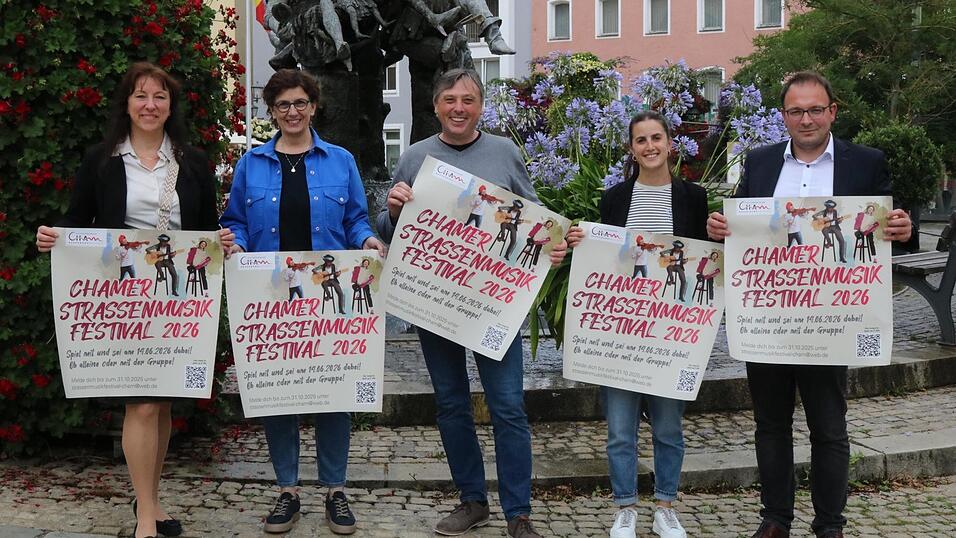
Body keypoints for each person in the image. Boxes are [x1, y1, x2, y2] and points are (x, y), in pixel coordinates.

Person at [706, 71, 912, 538]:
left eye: (815, 109)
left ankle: (829, 525)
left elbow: (894, 225)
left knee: (829, 428)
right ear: (784, 116)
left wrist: (904, 227)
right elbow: (739, 226)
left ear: (832, 111)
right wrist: (720, 228)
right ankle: (775, 519)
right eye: (796, 111)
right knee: (771, 425)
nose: (806, 119)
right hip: (769, 317)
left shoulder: (865, 163)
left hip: (832, 317)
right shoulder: (758, 164)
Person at [35, 62, 235, 538]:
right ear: (126, 104)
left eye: (160, 97)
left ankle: (153, 501)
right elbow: (77, 223)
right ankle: (146, 517)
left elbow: (206, 230)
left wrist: (221, 242)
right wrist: (53, 238)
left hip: (177, 298)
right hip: (123, 298)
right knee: (142, 404)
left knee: (162, 404)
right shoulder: (101, 160)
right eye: (141, 96)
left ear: (171, 106)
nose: (150, 105)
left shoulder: (195, 163)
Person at [376, 68, 567, 538]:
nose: (458, 107)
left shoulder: (504, 152)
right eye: (449, 99)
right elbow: (386, 231)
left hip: (494, 305)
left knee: (507, 406)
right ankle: (472, 500)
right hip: (436, 301)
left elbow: (535, 216)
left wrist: (555, 246)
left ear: (481, 106)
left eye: (468, 99)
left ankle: (518, 512)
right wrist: (394, 210)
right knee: (451, 405)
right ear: (435, 105)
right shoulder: (416, 156)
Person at [219, 68, 385, 536]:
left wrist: (369, 240)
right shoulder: (252, 164)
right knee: (277, 390)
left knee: (334, 390)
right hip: (271, 294)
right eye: (282, 105)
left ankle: (335, 489)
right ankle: (287, 490)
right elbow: (238, 220)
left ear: (313, 106)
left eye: (300, 103)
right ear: (271, 112)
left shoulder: (341, 160)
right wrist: (238, 246)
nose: (292, 112)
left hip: (326, 299)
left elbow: (354, 219)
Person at [566, 110, 708, 538]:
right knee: (619, 430)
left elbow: (704, 256)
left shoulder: (693, 197)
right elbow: (604, 258)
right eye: (641, 140)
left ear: (669, 144)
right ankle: (625, 507)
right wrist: (580, 241)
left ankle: (665, 506)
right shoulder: (614, 199)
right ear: (631, 148)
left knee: (668, 427)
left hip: (672, 329)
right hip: (622, 330)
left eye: (656, 138)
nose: (649, 147)